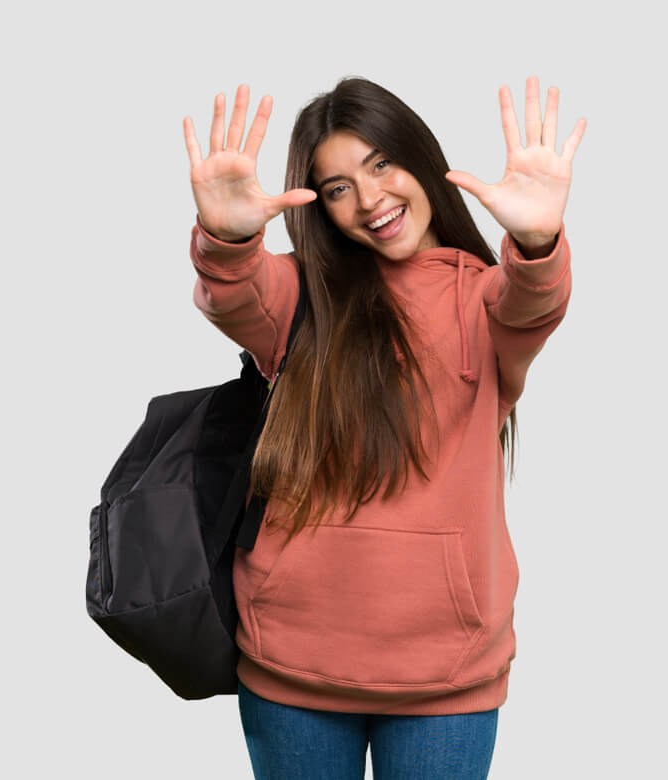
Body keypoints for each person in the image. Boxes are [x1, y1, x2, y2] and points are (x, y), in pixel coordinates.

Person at [183, 75, 585, 780]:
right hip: (293, 667)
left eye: (379, 164)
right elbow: (235, 291)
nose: (369, 200)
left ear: (419, 158)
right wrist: (226, 235)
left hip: (446, 677)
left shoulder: (483, 299)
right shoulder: (301, 294)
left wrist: (538, 238)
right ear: (320, 207)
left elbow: (534, 301)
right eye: (337, 187)